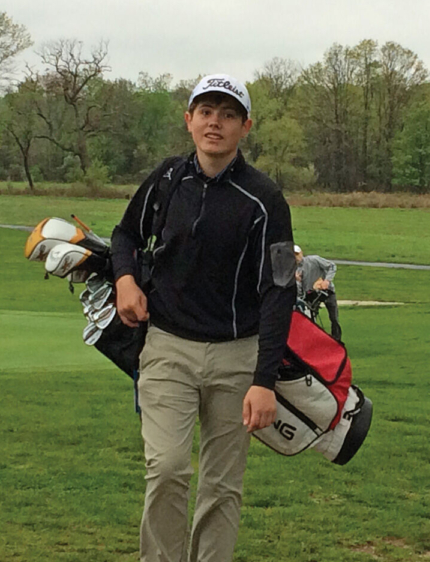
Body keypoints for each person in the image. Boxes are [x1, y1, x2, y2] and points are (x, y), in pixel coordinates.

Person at [110, 74, 296, 562]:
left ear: (245, 126)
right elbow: (125, 235)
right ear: (188, 119)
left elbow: (278, 288)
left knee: (222, 485)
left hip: (238, 355)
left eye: (228, 114)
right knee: (167, 468)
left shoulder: (265, 199)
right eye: (206, 111)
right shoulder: (167, 179)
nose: (216, 122)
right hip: (168, 347)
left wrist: (264, 380)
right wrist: (125, 280)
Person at [294, 244, 342, 340]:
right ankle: (315, 340)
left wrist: (327, 281)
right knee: (310, 319)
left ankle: (337, 340)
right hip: (311, 295)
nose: (296, 257)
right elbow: (300, 292)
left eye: (297, 254)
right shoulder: (294, 270)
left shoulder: (314, 260)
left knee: (334, 318)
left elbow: (332, 266)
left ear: (301, 253)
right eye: (293, 255)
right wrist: (297, 281)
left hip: (327, 291)